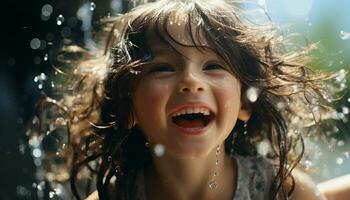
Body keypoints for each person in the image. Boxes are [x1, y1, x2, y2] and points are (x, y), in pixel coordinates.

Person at [38, 0, 342, 199]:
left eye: (213, 66)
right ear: (127, 106)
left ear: (245, 102)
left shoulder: (282, 190)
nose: (191, 81)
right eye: (163, 68)